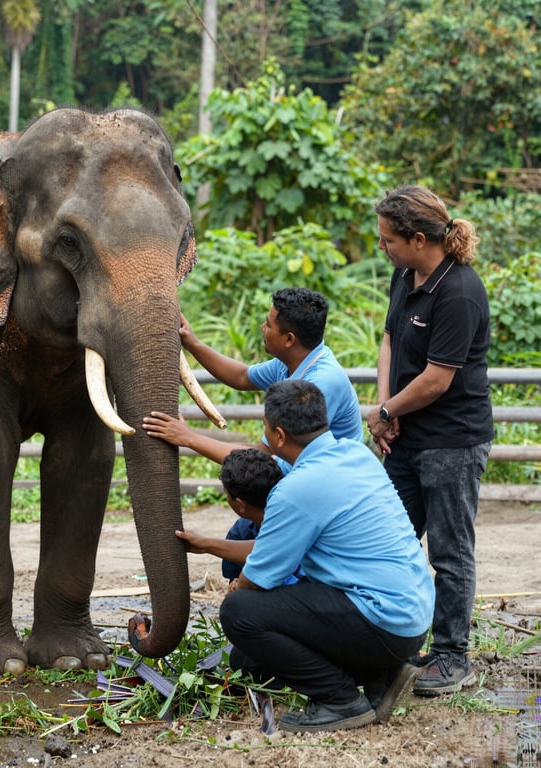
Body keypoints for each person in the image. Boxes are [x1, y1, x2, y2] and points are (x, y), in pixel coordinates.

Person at [215, 379, 435, 732]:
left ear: (279, 436)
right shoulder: (356, 454)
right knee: (248, 660)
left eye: (265, 428)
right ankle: (383, 676)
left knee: (239, 613)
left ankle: (340, 699)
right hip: (414, 618)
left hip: (382, 621)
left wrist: (237, 586)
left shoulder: (296, 489)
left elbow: (256, 580)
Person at [366, 185, 493, 697]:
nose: (382, 248)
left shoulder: (459, 291)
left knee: (449, 550)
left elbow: (438, 379)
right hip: (406, 436)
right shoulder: (405, 275)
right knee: (391, 540)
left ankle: (452, 655)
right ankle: (397, 640)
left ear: (419, 239)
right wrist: (386, 407)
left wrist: (387, 412)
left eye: (388, 240)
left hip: (451, 441)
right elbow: (390, 339)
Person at [143, 287, 362, 579]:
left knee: (261, 556)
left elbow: (261, 461)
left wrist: (188, 437)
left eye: (269, 324)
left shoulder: (316, 386)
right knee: (237, 545)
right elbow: (242, 376)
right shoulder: (294, 363)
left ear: (289, 339)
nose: (262, 327)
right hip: (291, 480)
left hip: (322, 496)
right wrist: (193, 344)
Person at [176, 448, 300, 586]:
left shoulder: (297, 525)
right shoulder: (241, 531)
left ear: (240, 504)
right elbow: (236, 582)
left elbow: (271, 550)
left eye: (226, 494)